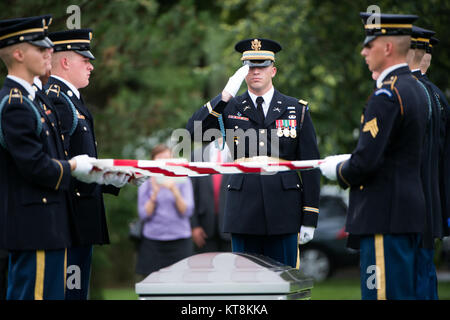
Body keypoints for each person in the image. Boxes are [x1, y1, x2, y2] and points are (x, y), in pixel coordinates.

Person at [320, 12, 429, 300]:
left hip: (383, 217)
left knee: (380, 295)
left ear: (388, 48)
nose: (364, 51)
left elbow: (366, 162)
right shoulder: (416, 89)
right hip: (405, 214)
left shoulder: (387, 95)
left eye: (370, 45)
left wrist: (337, 168)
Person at [186, 38, 321, 268]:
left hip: (284, 208)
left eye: (262, 65)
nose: (256, 71)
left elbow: (309, 165)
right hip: (243, 209)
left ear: (273, 70)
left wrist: (310, 216)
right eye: (250, 66)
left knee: (283, 280)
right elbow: (193, 132)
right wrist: (224, 95)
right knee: (245, 283)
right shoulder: (229, 108)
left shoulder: (295, 109)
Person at [0, 15, 95, 300]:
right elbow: (34, 165)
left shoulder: (35, 99)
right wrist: (75, 167)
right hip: (33, 224)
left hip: (50, 222)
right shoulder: (15, 103)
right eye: (41, 48)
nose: (49, 53)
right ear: (18, 53)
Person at [44, 29, 129, 300]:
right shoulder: (57, 100)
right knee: (67, 293)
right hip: (69, 217)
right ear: (66, 62)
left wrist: (113, 177)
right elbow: (61, 164)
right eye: (85, 60)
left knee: (77, 292)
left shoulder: (70, 99)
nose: (91, 66)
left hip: (80, 217)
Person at [408, 27, 450, 299]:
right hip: (431, 200)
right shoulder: (435, 94)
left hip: (411, 201)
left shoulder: (410, 92)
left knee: (413, 275)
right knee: (424, 272)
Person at [135, 145, 195, 277]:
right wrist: (154, 194)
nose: (164, 162)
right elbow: (144, 214)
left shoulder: (183, 180)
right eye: (160, 158)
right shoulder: (145, 182)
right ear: (152, 161)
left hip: (180, 240)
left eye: (167, 158)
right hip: (153, 241)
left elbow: (187, 211)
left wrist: (174, 190)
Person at [190, 139, 232, 253]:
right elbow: (191, 193)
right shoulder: (197, 154)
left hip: (231, 227)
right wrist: (194, 226)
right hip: (203, 229)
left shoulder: (239, 154)